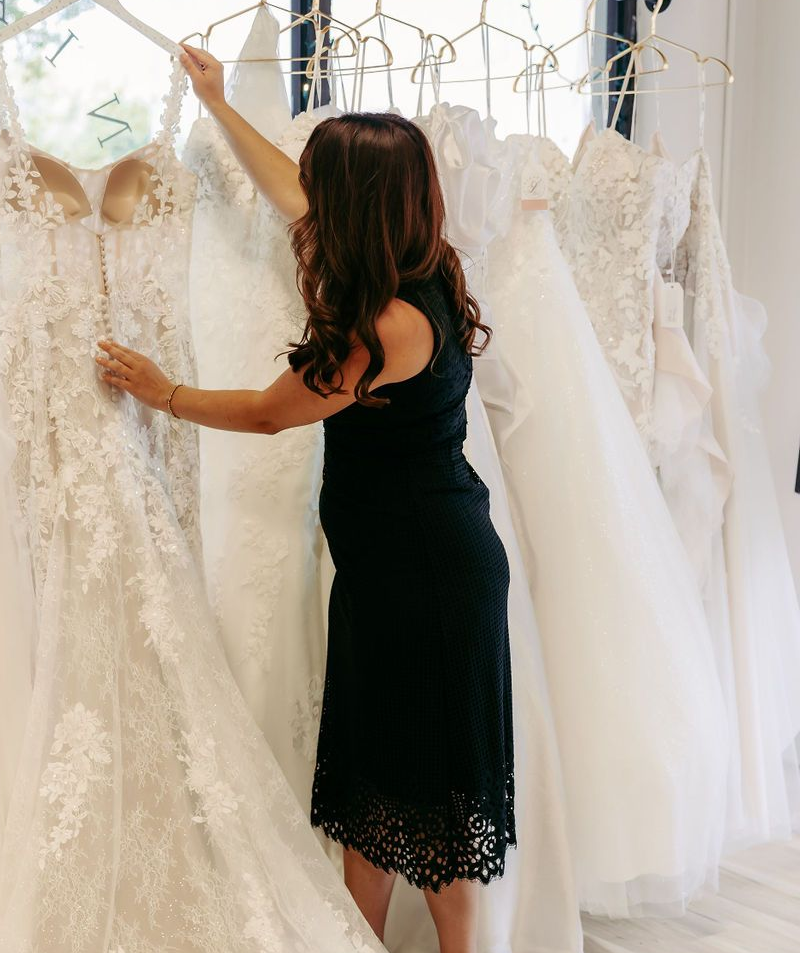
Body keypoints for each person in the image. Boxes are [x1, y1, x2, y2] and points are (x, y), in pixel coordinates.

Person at [96, 44, 514, 953]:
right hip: (397, 570)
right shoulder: (422, 262)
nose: (310, 200)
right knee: (374, 799)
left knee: (435, 819)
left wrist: (164, 391)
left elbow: (267, 412)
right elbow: (292, 191)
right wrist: (217, 104)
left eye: (327, 188)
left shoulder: (382, 328)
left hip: (426, 582)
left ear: (354, 208)